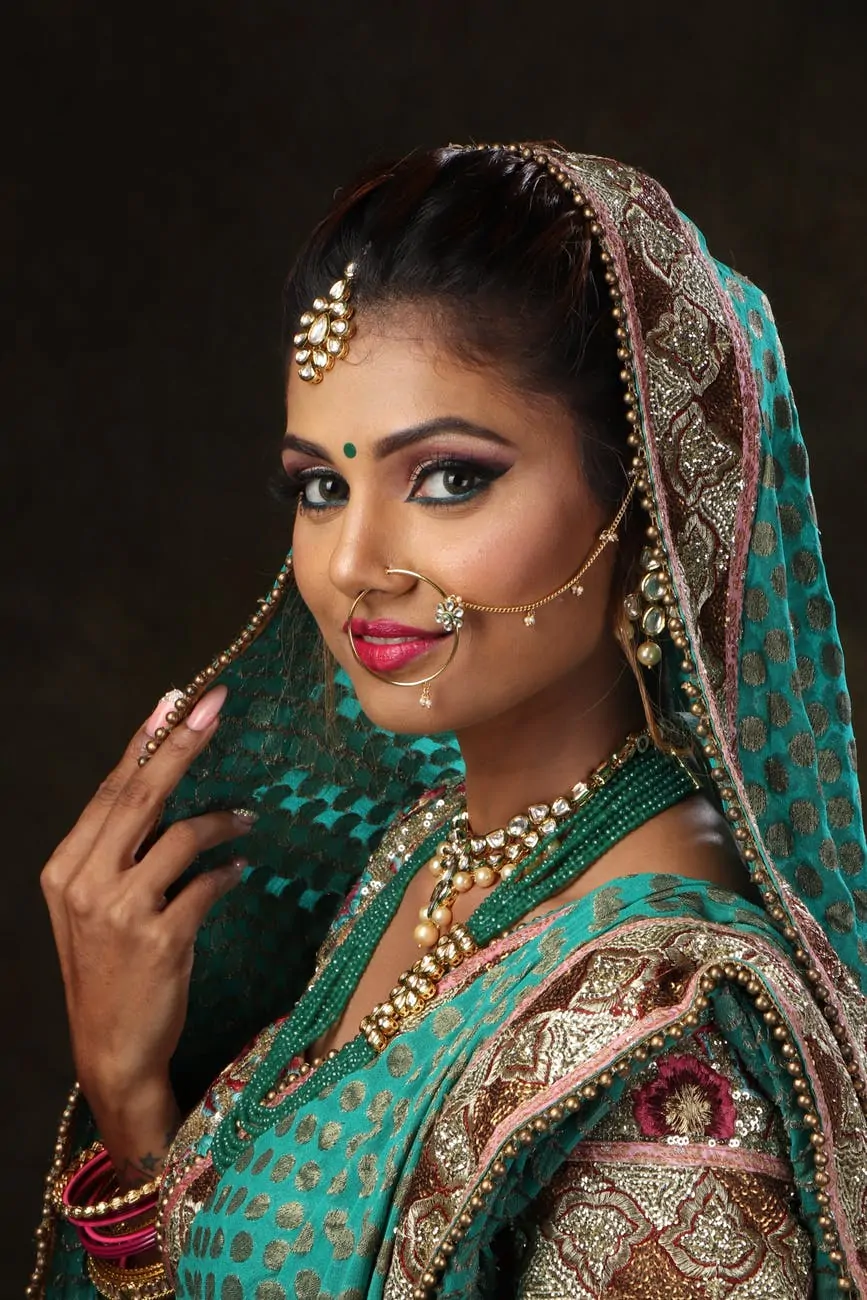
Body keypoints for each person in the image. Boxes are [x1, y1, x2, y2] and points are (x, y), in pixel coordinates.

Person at [33, 142, 866, 1300]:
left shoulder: (674, 1041)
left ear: (645, 504)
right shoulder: (420, 853)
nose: (354, 566)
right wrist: (130, 1101)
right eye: (321, 486)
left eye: (448, 478)